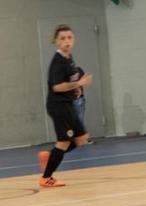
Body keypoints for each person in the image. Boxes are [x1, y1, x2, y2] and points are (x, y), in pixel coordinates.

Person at [38, 25, 93, 188]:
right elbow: (56, 86)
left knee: (81, 138)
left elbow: (68, 83)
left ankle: (50, 155)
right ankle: (46, 177)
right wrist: (78, 83)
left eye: (69, 37)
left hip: (67, 103)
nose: (67, 41)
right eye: (62, 38)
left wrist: (75, 89)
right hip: (58, 105)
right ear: (56, 41)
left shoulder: (69, 58)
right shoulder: (58, 61)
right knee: (63, 141)